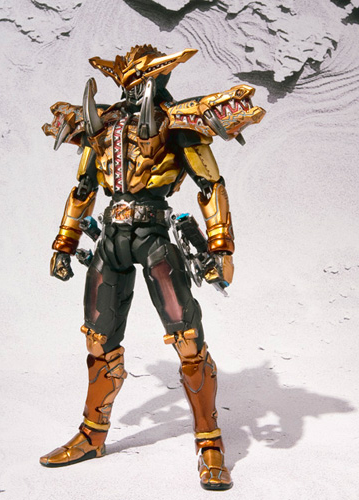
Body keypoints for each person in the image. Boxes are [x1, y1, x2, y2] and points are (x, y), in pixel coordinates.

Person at [39, 45, 265, 490]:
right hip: (110, 238)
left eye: (141, 78)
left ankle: (210, 443)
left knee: (187, 338)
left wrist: (221, 248)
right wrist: (64, 243)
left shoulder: (179, 122)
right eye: (127, 79)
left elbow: (210, 185)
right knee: (98, 339)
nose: (132, 87)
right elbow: (83, 188)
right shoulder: (102, 125)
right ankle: (92, 435)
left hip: (155, 237)